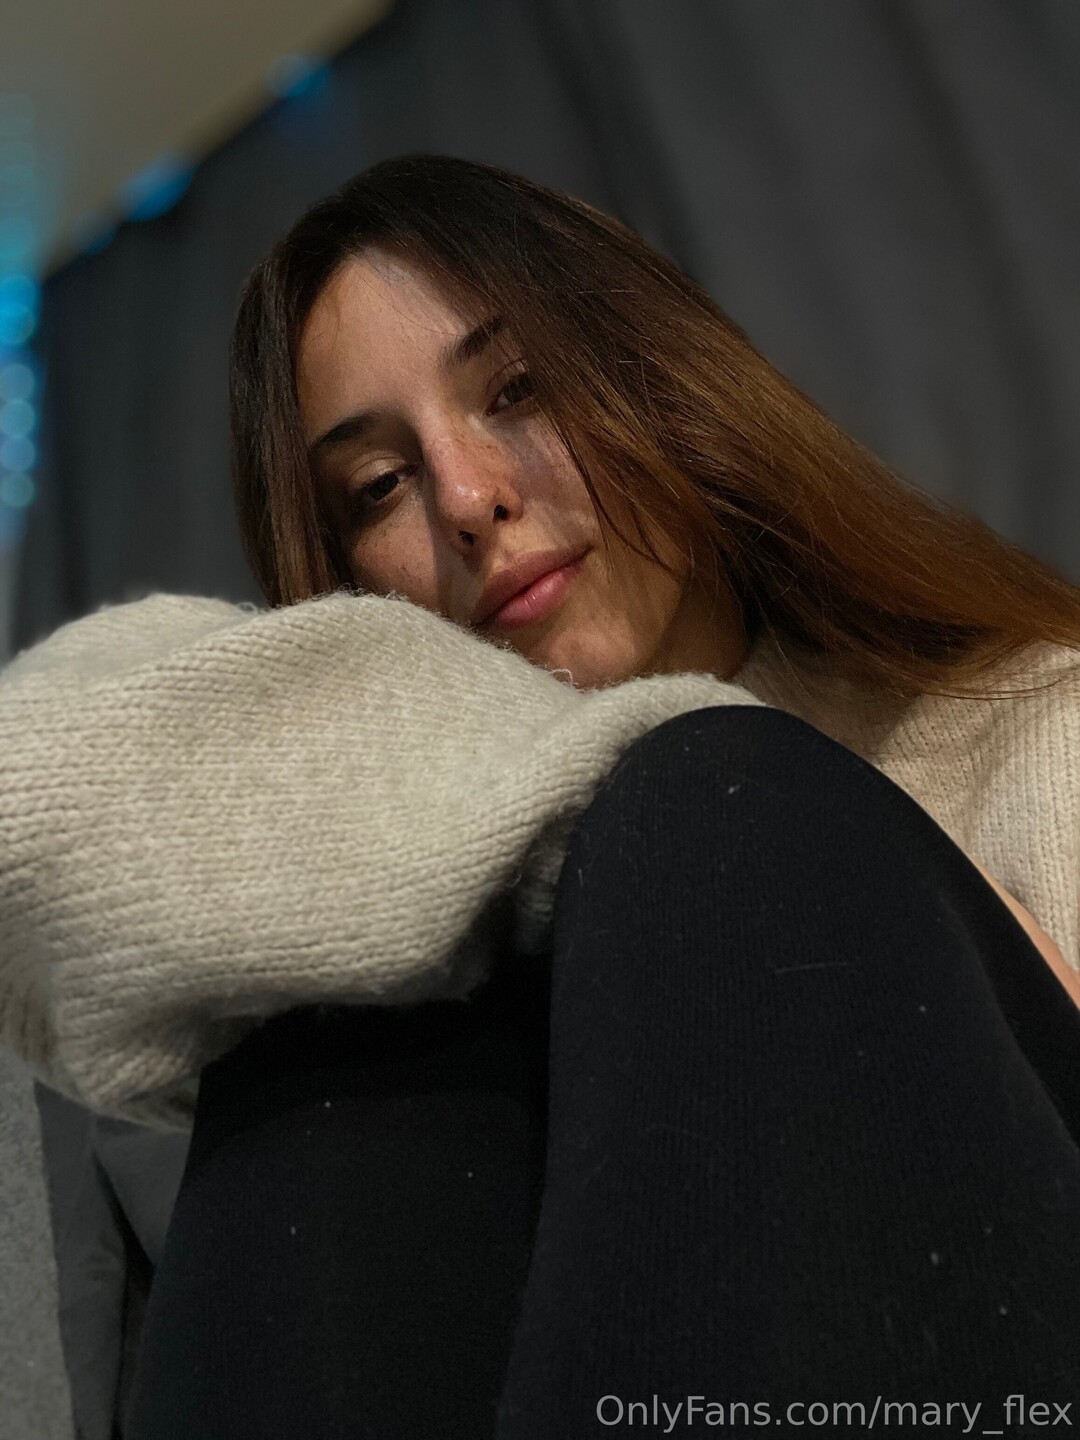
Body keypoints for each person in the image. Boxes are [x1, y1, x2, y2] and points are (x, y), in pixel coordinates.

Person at [4, 154, 1080, 1438]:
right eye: (379, 488)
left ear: (652, 372)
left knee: (711, 803)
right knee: (347, 980)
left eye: (515, 390)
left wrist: (751, 799)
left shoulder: (1027, 723)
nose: (469, 500)